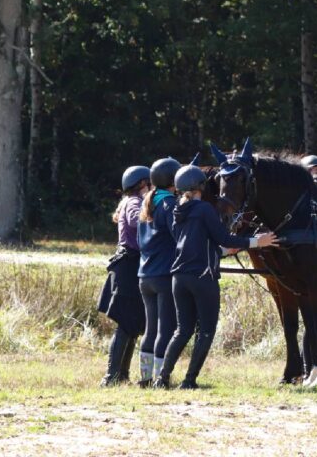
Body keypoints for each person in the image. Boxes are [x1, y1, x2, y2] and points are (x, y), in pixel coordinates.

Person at [153, 165, 277, 389]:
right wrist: (257, 241)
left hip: (178, 277)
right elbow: (225, 238)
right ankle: (189, 380)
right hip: (203, 277)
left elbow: (191, 242)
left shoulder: (175, 212)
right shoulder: (205, 210)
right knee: (206, 330)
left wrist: (217, 251)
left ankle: (162, 378)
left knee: (182, 331)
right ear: (201, 186)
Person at [97, 165, 149, 386]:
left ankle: (122, 375)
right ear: (142, 185)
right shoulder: (135, 204)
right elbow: (141, 226)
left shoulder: (130, 202)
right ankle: (111, 376)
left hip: (130, 266)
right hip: (129, 267)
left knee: (132, 325)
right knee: (126, 324)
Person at [136, 157, 180, 387]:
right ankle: (161, 379)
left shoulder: (147, 203)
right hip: (164, 275)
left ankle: (145, 378)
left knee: (150, 329)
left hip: (145, 275)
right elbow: (179, 238)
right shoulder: (170, 205)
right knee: (166, 329)